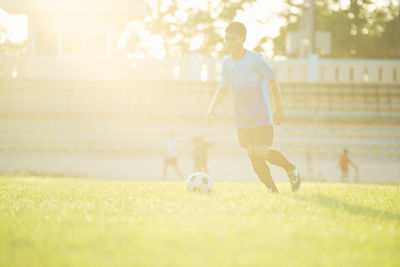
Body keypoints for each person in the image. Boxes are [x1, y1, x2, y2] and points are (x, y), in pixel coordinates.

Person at [207, 22, 300, 193]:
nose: (229, 43)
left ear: (243, 39)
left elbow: (272, 80)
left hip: (261, 115)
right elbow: (223, 87)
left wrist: (278, 109)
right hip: (242, 117)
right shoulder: (227, 63)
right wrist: (212, 107)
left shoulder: (255, 59)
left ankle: (291, 168)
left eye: (233, 39)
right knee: (252, 154)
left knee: (261, 151)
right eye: (227, 39)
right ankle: (272, 189)